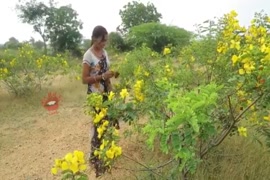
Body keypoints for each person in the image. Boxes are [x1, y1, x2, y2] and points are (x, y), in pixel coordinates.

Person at [81, 25, 115, 176]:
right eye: (102, 40)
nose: (104, 43)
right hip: (95, 96)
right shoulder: (88, 56)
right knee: (98, 127)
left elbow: (106, 72)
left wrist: (110, 80)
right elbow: (84, 79)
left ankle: (104, 156)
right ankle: (95, 160)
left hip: (106, 94)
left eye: (106, 41)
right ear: (95, 38)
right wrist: (101, 77)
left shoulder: (104, 53)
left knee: (107, 126)